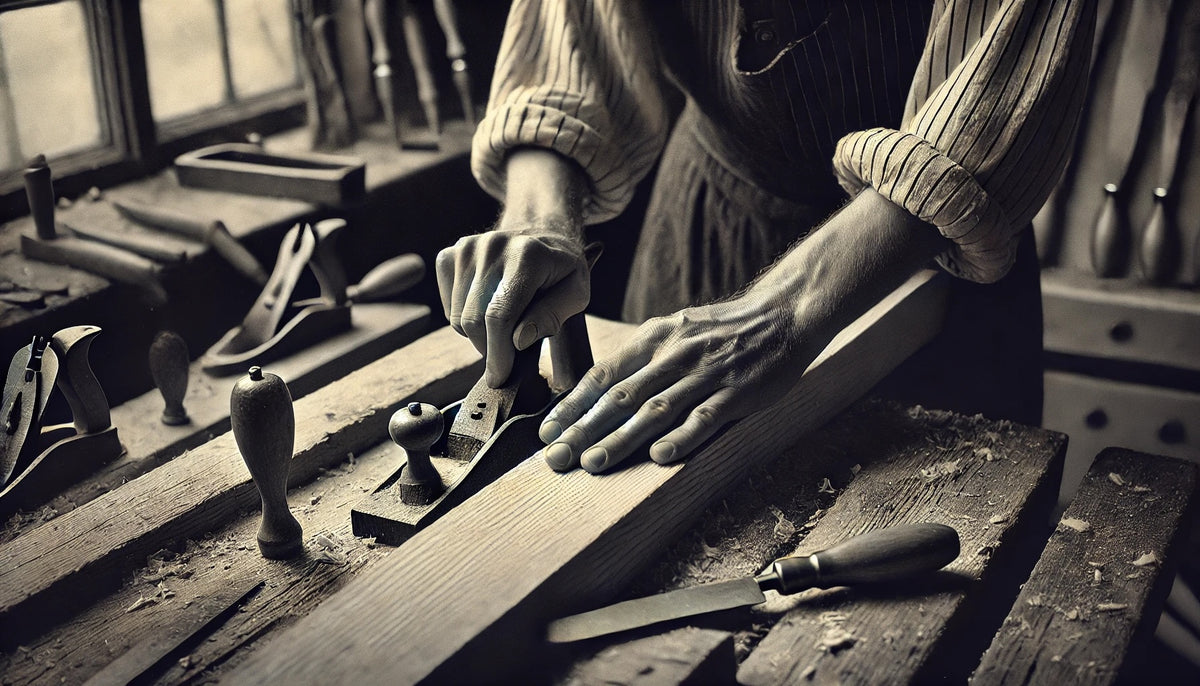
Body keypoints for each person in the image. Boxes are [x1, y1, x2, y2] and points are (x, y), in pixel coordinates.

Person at [436, 0, 1097, 474]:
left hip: (927, 257)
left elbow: (998, 95)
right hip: (710, 218)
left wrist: (784, 311)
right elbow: (570, 39)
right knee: (646, 482)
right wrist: (539, 219)